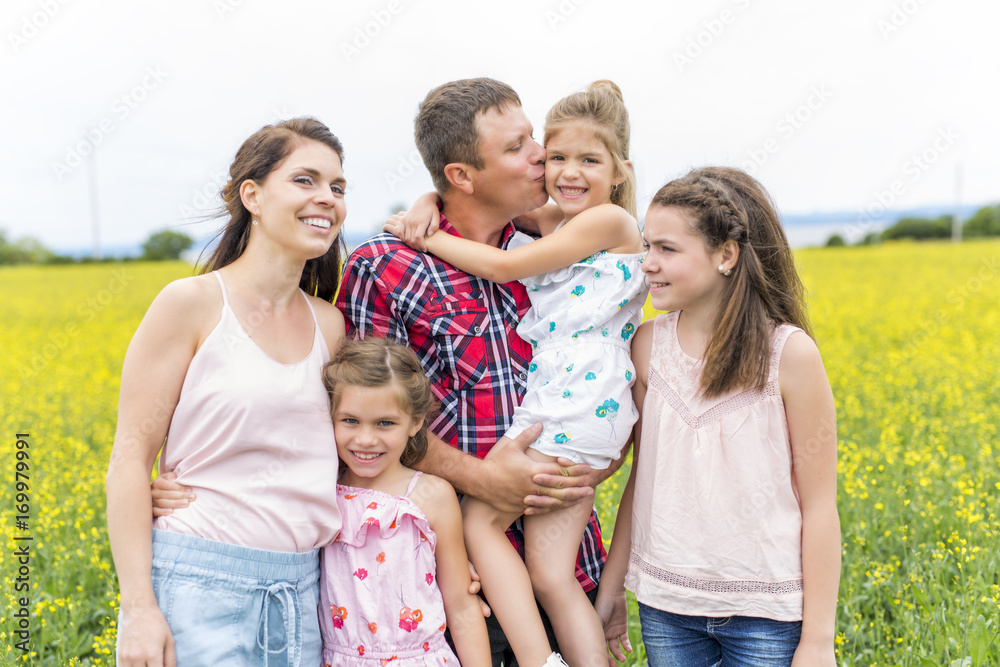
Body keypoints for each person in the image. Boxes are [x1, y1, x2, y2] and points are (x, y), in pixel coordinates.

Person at [335, 77, 621, 667]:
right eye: (519, 147)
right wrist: (480, 479)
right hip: (452, 586)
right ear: (462, 176)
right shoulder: (383, 268)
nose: (542, 155)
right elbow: (360, 427)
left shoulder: (554, 250)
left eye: (534, 139)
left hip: (563, 563)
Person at [107, 117, 348, 667]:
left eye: (337, 187)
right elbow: (128, 457)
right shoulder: (189, 304)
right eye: (306, 180)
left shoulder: (330, 324)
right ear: (253, 195)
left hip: (306, 593)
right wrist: (140, 609)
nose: (326, 199)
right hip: (197, 587)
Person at [594, 167, 841, 666]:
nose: (647, 264)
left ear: (726, 255)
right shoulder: (646, 347)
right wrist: (615, 584)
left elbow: (819, 506)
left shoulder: (788, 355)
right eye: (646, 246)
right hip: (666, 607)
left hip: (766, 615)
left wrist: (818, 641)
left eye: (666, 248)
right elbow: (644, 476)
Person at [317, 337, 489, 666]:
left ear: (415, 422)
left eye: (385, 423)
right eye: (350, 420)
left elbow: (460, 601)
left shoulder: (431, 495)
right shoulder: (323, 488)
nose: (365, 439)